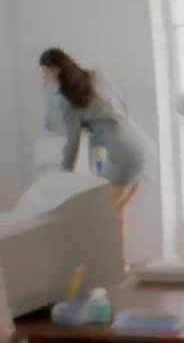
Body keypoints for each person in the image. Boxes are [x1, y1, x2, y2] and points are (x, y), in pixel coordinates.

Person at [39, 48, 154, 253]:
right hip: (140, 142)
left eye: (45, 73)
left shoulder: (71, 102)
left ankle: (111, 261)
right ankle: (120, 262)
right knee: (115, 212)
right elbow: (120, 105)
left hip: (124, 154)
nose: (44, 78)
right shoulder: (95, 77)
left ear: (55, 70)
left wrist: (63, 178)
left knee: (105, 215)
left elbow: (72, 144)